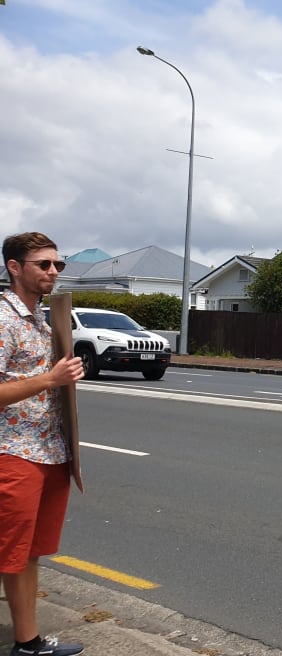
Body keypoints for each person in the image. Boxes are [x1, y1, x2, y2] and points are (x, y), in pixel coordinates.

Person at [1, 232, 86, 656]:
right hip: (12, 451)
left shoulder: (42, 317)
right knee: (11, 551)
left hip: (50, 449)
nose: (54, 271)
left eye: (58, 264)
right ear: (14, 267)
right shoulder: (3, 318)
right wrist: (50, 378)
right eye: (43, 264)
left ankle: (27, 641)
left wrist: (64, 377)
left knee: (29, 551)